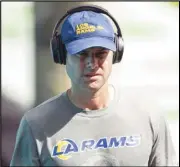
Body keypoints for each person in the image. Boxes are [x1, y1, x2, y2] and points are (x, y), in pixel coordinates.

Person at [10, 5, 178, 166]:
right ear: (62, 56)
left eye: (101, 54)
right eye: (81, 54)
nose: (92, 63)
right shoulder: (36, 125)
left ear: (116, 54)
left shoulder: (147, 116)